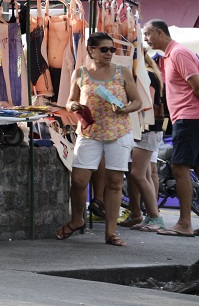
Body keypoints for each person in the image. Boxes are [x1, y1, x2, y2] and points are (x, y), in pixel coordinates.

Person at [58, 31, 142, 247]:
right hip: (90, 132)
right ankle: (77, 219)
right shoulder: (80, 73)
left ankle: (111, 232)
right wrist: (73, 107)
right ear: (91, 50)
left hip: (118, 132)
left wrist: (125, 109)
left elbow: (137, 101)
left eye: (112, 49)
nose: (109, 53)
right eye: (104, 49)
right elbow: (69, 101)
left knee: (114, 183)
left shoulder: (122, 72)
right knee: (78, 180)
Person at [143, 19, 199, 237]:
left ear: (160, 32)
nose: (146, 38)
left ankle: (185, 223)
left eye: (148, 34)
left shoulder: (178, 53)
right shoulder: (170, 55)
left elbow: (197, 85)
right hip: (187, 118)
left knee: (180, 168)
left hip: (189, 118)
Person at [120, 49, 166, 232]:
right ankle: (148, 216)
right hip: (145, 130)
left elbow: (147, 103)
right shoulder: (149, 73)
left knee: (139, 174)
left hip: (147, 130)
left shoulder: (146, 74)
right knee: (144, 173)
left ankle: (154, 216)